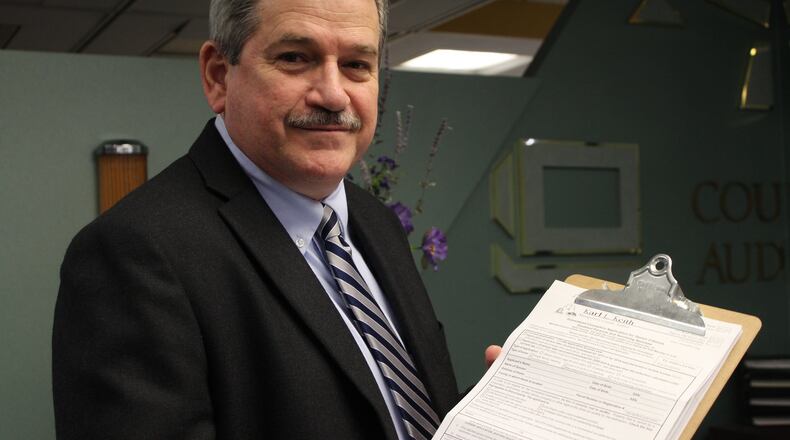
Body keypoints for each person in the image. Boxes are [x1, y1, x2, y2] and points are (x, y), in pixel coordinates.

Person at [53, 0, 502, 439]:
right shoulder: (136, 252)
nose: (332, 94)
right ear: (218, 76)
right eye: (295, 58)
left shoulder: (376, 223)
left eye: (356, 64)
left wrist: (498, 419)